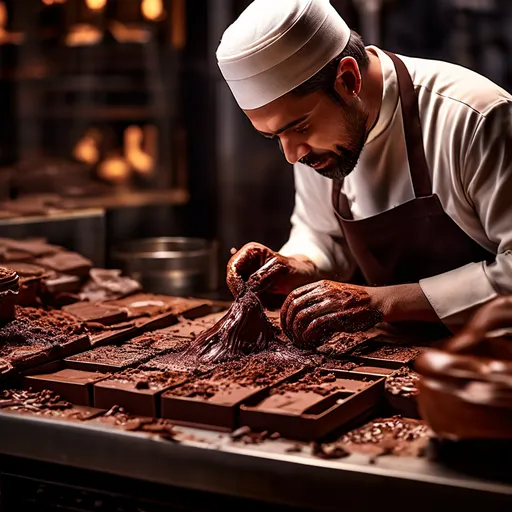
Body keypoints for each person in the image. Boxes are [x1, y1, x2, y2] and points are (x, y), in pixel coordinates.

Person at [216, 0, 512, 347]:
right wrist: (297, 265)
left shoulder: (476, 118)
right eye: (274, 137)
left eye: (300, 128)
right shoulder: (319, 142)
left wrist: (380, 301)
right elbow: (322, 237)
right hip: (394, 354)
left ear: (348, 79)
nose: (293, 155)